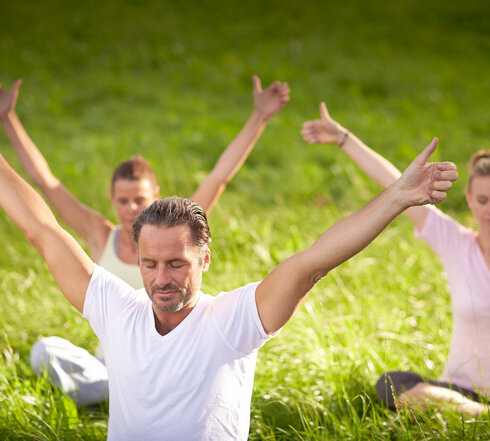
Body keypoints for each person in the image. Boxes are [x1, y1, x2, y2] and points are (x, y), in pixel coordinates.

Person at [0, 134, 457, 439]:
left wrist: (397, 196)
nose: (162, 279)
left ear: (205, 258)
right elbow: (42, 230)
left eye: (177, 263)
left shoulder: (231, 320)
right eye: (149, 264)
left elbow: (314, 262)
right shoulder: (116, 309)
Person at [0, 76, 290, 406]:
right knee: (45, 350)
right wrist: (8, 119)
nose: (131, 209)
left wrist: (260, 116)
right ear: (111, 199)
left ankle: (112, 394)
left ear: (156, 194)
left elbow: (219, 175)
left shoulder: (181, 228)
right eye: (122, 201)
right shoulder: (100, 234)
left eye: (139, 199)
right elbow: (45, 185)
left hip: (168, 358)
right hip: (110, 362)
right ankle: (112, 390)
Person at [302, 102, 489, 416]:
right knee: (391, 384)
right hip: (456, 391)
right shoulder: (456, 243)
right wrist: (344, 138)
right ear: (469, 200)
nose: (489, 209)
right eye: (483, 200)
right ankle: (479, 415)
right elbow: (396, 183)